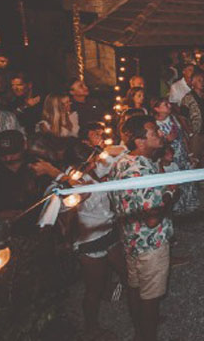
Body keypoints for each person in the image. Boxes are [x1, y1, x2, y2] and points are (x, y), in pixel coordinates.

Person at [108, 115, 175, 341]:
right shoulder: (141, 171)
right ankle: (147, 333)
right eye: (154, 132)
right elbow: (153, 219)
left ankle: (140, 330)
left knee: (134, 289)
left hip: (129, 239)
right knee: (150, 299)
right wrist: (171, 192)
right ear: (139, 141)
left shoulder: (121, 162)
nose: (160, 134)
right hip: (151, 244)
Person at [63, 143, 129, 338]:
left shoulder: (94, 170)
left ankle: (135, 308)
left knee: (127, 272)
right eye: (88, 162)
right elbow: (62, 210)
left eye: (93, 159)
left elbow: (121, 154)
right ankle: (91, 328)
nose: (93, 164)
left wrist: (104, 150)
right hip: (90, 239)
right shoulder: (69, 183)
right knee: (94, 288)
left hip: (108, 230)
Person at [0, 130, 60, 225]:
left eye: (13, 153)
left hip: (40, 226)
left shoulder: (42, 167)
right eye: (3, 154)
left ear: (24, 146)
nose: (8, 158)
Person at [152, 97, 200, 215]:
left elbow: (182, 137)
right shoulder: (153, 125)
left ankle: (188, 208)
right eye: (165, 104)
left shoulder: (173, 118)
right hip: (168, 157)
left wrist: (189, 153)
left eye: (169, 103)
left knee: (187, 181)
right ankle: (176, 209)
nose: (169, 106)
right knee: (174, 184)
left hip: (181, 154)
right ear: (157, 108)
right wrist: (167, 140)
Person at [180, 70, 204, 169]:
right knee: (195, 158)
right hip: (196, 133)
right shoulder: (188, 98)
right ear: (192, 82)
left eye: (203, 80)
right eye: (199, 80)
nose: (202, 82)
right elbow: (182, 117)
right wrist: (190, 132)